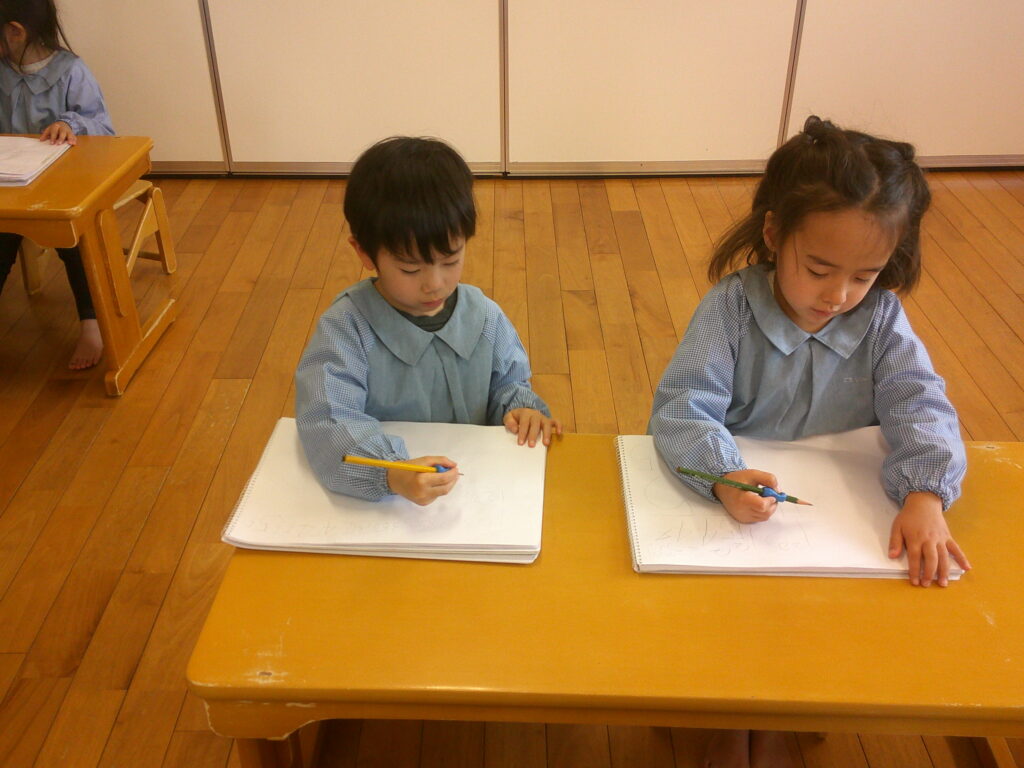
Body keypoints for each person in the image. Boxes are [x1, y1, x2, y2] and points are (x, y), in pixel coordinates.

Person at [649, 116, 970, 767]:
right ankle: (732, 718)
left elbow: (921, 403)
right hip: (744, 507)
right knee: (734, 622)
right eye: (819, 268)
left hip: (838, 517)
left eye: (865, 275)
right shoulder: (731, 308)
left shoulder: (880, 318)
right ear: (774, 234)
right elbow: (683, 408)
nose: (839, 295)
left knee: (826, 620)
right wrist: (723, 475)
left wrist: (926, 493)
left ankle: (791, 707)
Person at [296, 136, 560, 506]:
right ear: (364, 252)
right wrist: (389, 472)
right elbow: (329, 420)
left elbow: (508, 385)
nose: (434, 283)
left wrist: (521, 410)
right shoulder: (346, 328)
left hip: (476, 494)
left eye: (450, 260)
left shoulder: (484, 316)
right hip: (387, 502)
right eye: (410, 268)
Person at [0, 0, 114, 369]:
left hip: (67, 187)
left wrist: (71, 125)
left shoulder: (70, 71)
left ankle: (91, 323)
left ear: (15, 32)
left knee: (74, 241)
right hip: (12, 188)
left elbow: (104, 130)